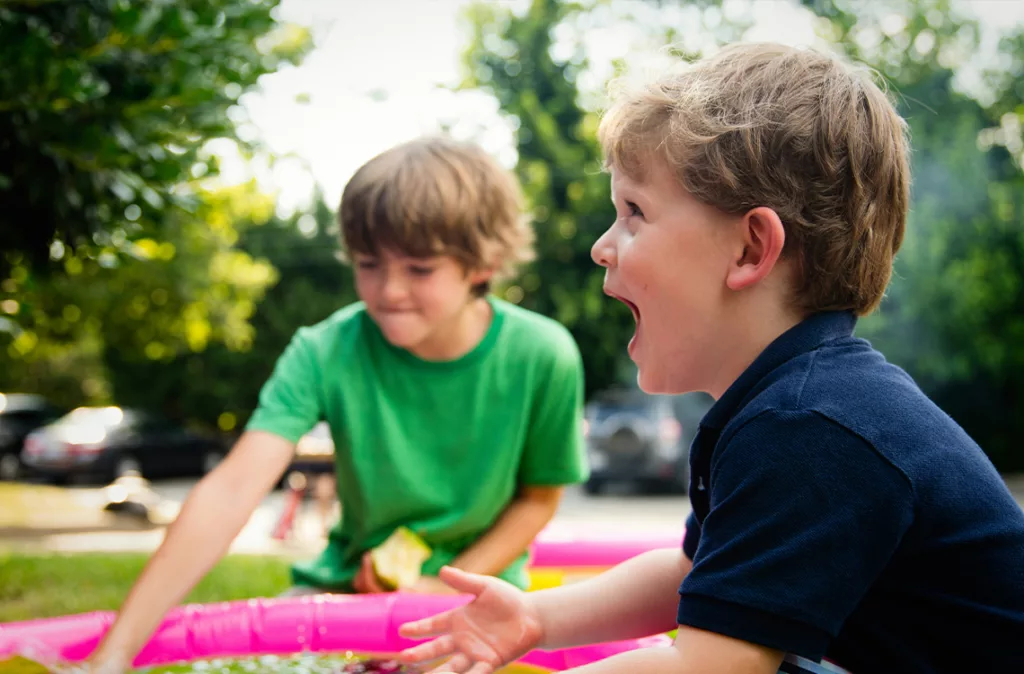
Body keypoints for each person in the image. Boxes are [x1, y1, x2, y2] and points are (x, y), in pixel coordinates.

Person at [396, 43, 1024, 674]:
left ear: (750, 249)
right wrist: (537, 618)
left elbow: (708, 666)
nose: (600, 247)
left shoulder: (809, 428)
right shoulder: (792, 404)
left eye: (634, 213)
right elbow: (693, 574)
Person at [84, 136, 589, 673]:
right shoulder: (324, 350)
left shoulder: (544, 354)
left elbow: (538, 499)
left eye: (419, 269)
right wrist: (114, 654)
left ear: (483, 264)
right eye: (368, 264)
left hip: (481, 600)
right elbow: (231, 490)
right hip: (345, 593)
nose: (389, 290)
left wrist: (443, 587)